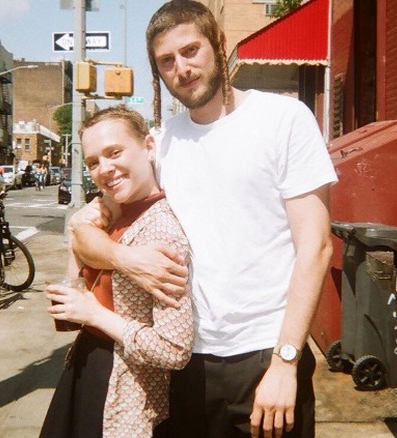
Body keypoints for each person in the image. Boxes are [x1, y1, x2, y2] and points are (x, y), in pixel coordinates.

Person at [69, 1, 337, 437]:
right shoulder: (162, 142)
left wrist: (286, 361)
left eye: (191, 50)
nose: (182, 68)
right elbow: (84, 234)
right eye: (166, 61)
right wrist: (126, 258)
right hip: (186, 361)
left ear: (219, 44)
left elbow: (316, 246)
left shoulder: (284, 120)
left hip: (263, 354)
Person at [40, 105, 193, 438]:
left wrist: (95, 316)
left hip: (120, 388)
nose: (104, 169)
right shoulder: (113, 213)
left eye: (114, 153)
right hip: (84, 366)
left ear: (148, 147)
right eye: (94, 162)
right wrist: (80, 230)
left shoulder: (161, 231)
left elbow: (174, 350)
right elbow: (81, 287)